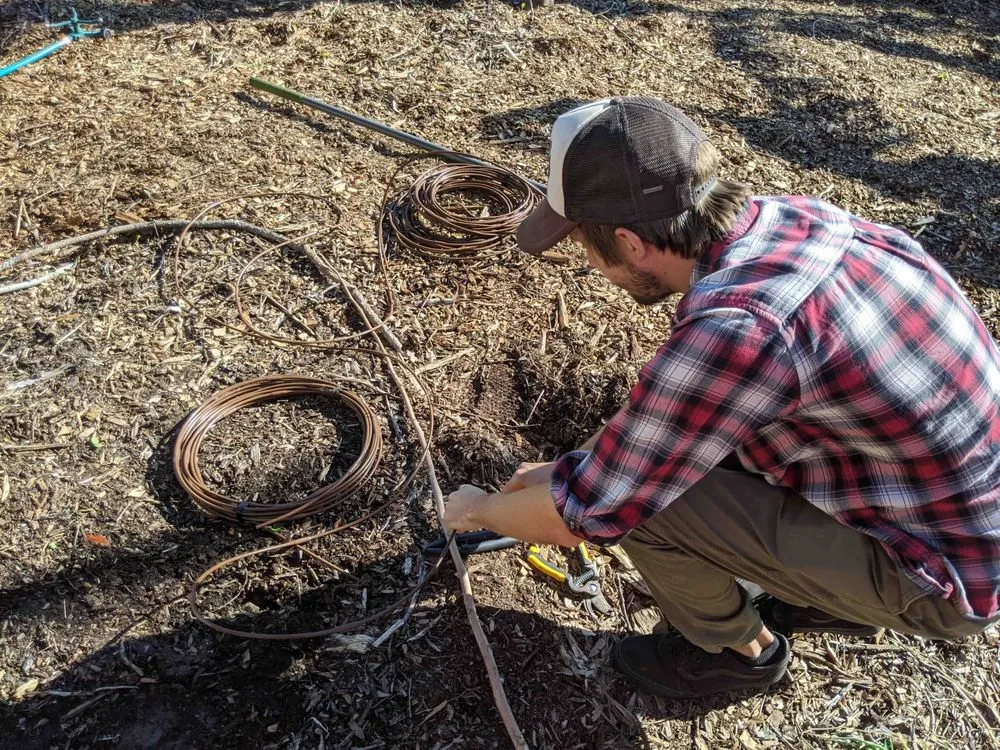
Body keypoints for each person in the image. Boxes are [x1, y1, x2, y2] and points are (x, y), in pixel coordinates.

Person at [443, 96, 1000, 699]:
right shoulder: (805, 222)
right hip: (952, 513)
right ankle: (802, 585)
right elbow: (669, 431)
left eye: (584, 245)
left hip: (947, 576)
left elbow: (594, 514)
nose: (589, 264)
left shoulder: (741, 328)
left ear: (629, 243)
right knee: (661, 466)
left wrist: (475, 509)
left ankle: (735, 654)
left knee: (651, 511)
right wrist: (562, 469)